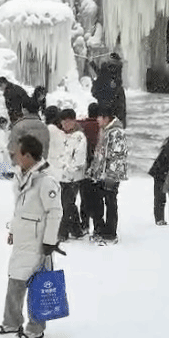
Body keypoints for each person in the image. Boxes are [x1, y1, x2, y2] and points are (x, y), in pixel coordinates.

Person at [0, 135, 62, 338]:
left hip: (38, 241)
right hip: (23, 239)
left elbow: (55, 212)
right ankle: (11, 322)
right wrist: (13, 230)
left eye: (18, 153)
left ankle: (36, 327)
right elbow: (19, 209)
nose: (14, 156)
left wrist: (49, 241)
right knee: (15, 279)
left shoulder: (46, 181)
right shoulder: (22, 176)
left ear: (29, 156)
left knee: (38, 284)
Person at [87, 105, 128, 245]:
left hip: (111, 175)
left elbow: (117, 157)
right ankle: (99, 229)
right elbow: (99, 153)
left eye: (99, 117)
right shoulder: (104, 130)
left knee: (110, 202)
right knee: (96, 202)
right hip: (100, 174)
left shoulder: (116, 132)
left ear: (106, 118)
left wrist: (110, 175)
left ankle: (110, 232)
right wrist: (94, 170)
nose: (97, 120)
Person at [52, 109, 87, 240]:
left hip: (73, 176)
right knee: (67, 203)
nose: (66, 124)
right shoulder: (60, 135)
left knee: (67, 203)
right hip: (60, 175)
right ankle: (76, 229)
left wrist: (69, 168)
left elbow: (80, 157)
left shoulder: (79, 137)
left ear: (74, 121)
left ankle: (63, 232)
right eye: (63, 121)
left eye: (68, 121)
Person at [76, 103, 101, 235]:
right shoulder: (100, 127)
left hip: (84, 164)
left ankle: (84, 224)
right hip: (97, 165)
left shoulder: (82, 125)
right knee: (97, 197)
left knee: (84, 196)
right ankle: (97, 225)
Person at [90, 53, 127, 127]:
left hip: (107, 102)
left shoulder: (107, 71)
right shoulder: (114, 71)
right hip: (116, 98)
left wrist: (92, 63)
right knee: (118, 118)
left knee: (107, 121)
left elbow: (95, 92)